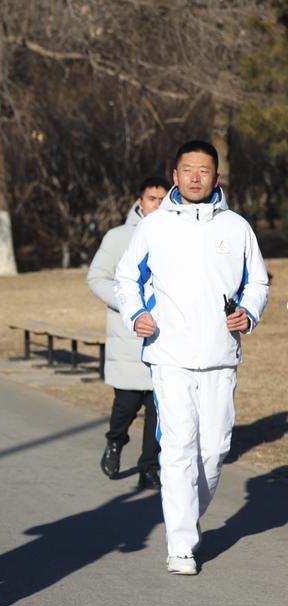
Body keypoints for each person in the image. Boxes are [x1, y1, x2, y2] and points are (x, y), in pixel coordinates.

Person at [115, 140, 268, 576]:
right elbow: (126, 279)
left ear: (216, 178)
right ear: (175, 175)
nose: (196, 177)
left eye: (204, 170)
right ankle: (181, 543)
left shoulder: (237, 227)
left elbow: (257, 283)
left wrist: (248, 313)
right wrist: (136, 314)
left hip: (221, 355)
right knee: (179, 444)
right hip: (169, 352)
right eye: (188, 170)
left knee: (215, 448)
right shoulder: (155, 226)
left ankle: (187, 516)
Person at [87, 176, 169, 490]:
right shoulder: (119, 237)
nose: (158, 205)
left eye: (163, 199)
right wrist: (131, 307)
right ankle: (115, 441)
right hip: (129, 338)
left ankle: (149, 466)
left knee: (158, 407)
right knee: (127, 403)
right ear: (140, 201)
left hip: (164, 338)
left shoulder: (178, 236)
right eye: (152, 199)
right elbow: (96, 278)